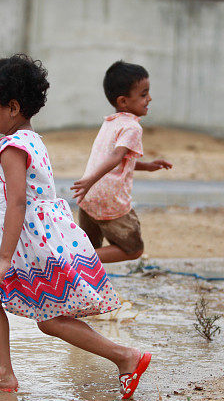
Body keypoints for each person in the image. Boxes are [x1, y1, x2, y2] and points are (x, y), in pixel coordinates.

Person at [0, 54, 151, 398]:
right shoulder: (33, 139)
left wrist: (4, 258)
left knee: (43, 317)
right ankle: (3, 373)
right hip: (43, 235)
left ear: (13, 107)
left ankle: (126, 356)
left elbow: (18, 204)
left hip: (30, 240)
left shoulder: (11, 148)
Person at [71, 60, 172, 263]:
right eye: (143, 95)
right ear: (123, 101)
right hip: (108, 199)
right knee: (133, 249)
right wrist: (90, 180)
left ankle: (78, 284)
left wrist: (147, 166)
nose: (149, 99)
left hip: (90, 196)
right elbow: (116, 156)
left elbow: (118, 160)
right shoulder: (132, 128)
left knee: (90, 249)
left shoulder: (110, 122)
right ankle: (72, 258)